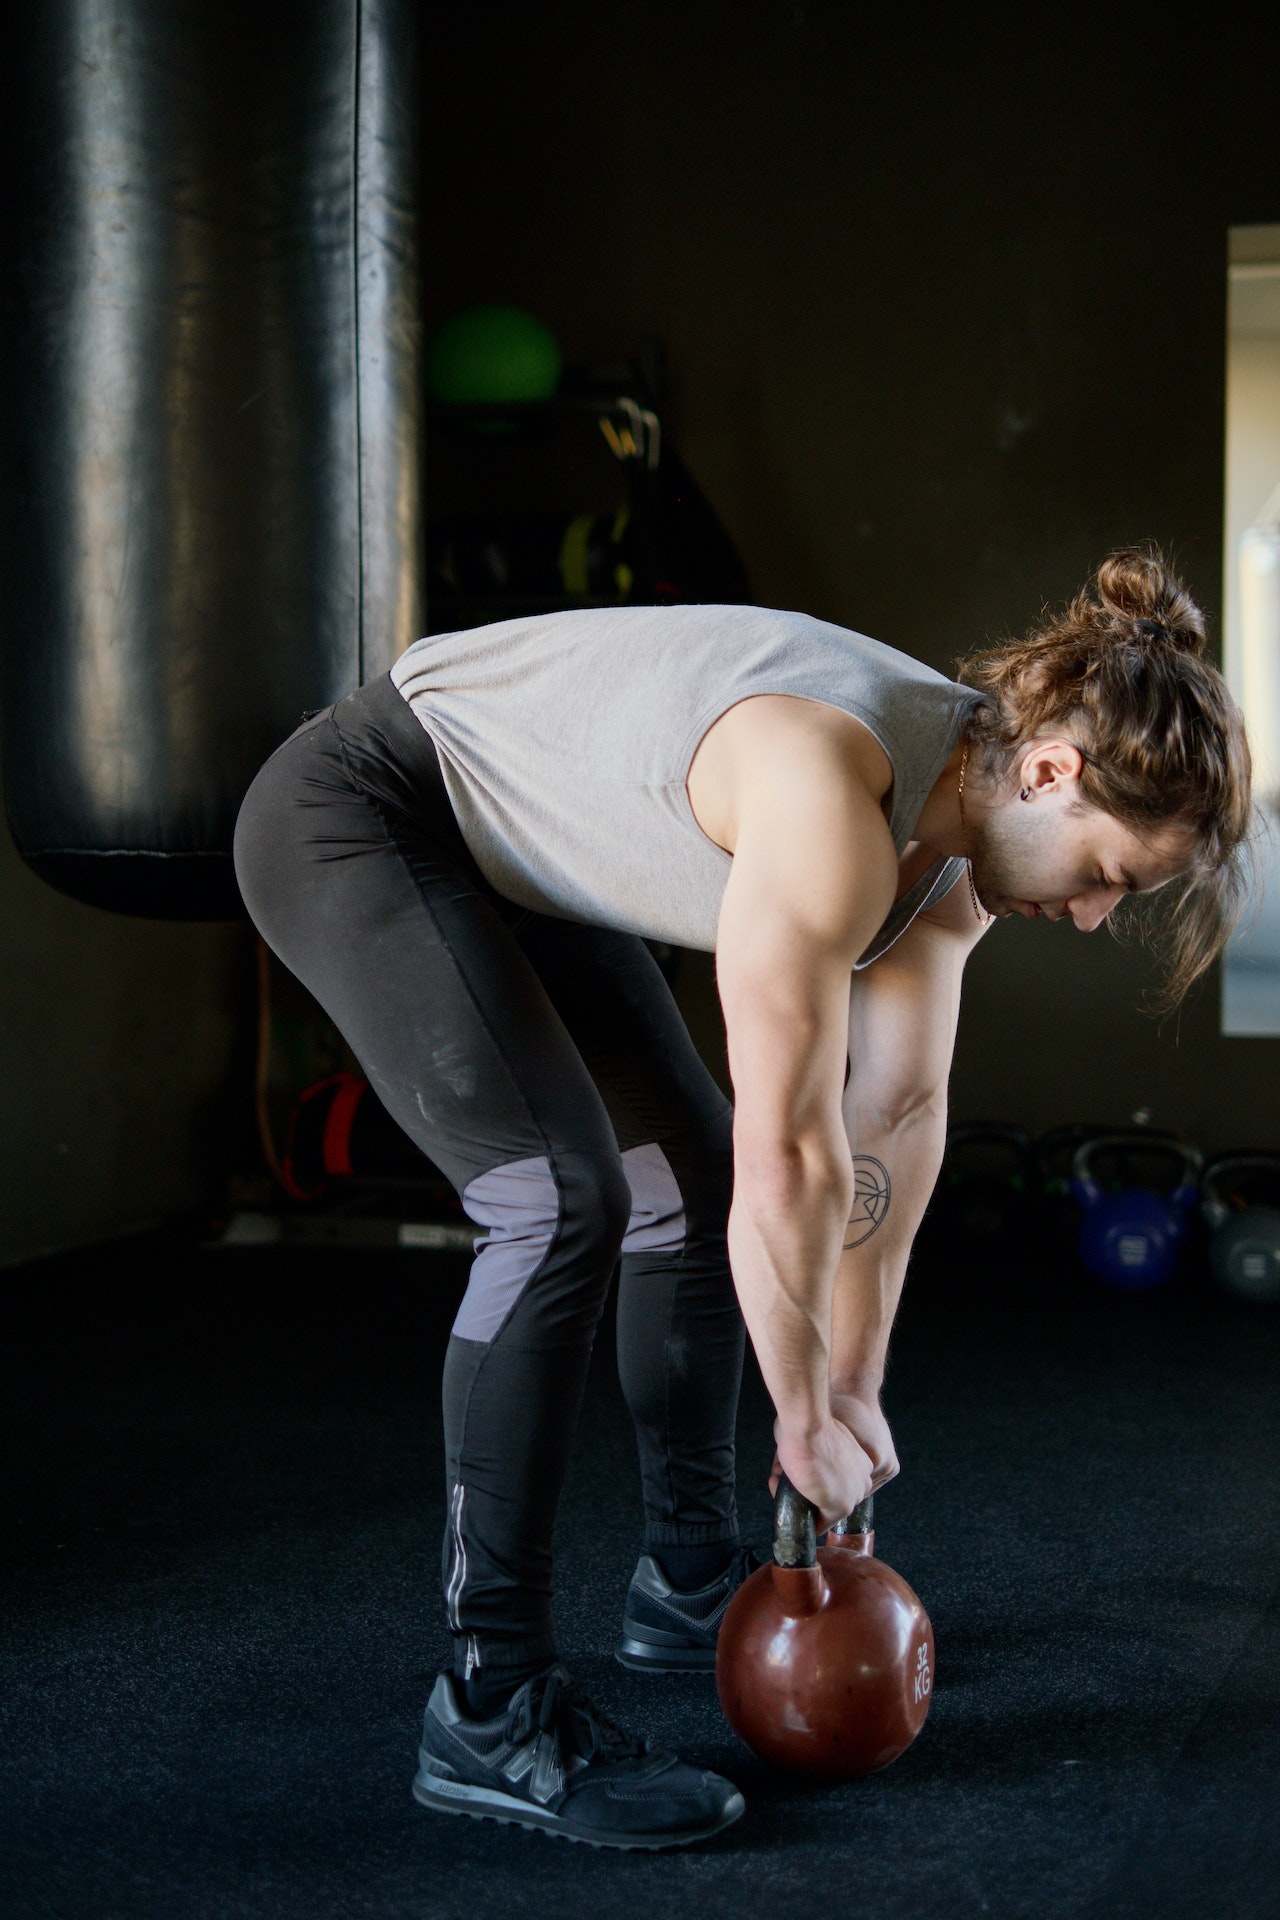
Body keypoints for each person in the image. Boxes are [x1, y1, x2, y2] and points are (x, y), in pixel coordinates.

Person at [233, 547, 1251, 1850]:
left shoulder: (954, 856)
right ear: (1051, 772)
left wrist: (851, 1388)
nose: (1100, 914)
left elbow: (893, 1116)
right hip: (370, 810)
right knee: (558, 1202)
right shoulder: (832, 791)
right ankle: (489, 1706)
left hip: (526, 855)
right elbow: (796, 1144)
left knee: (686, 1173)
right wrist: (796, 1408)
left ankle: (689, 1576)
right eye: (1110, 870)